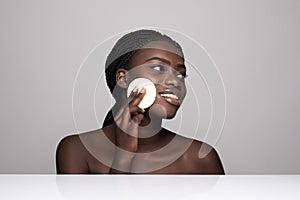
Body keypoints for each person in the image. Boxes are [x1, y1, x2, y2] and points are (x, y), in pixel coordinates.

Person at [56, 29, 225, 174]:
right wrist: (123, 157)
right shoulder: (76, 150)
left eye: (181, 74)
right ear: (123, 79)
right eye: (158, 68)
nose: (175, 81)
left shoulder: (200, 158)